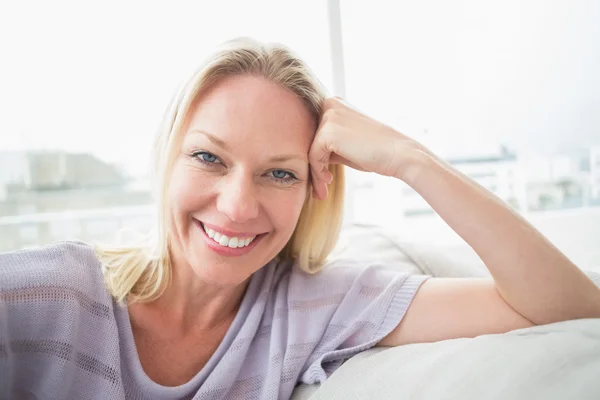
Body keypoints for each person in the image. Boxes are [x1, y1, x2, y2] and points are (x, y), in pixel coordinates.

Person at [1, 37, 599, 400]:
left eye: (279, 173)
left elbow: (566, 306)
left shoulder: (310, 307)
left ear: (316, 188)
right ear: (166, 159)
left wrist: (410, 160)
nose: (237, 206)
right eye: (209, 157)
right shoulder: (49, 296)